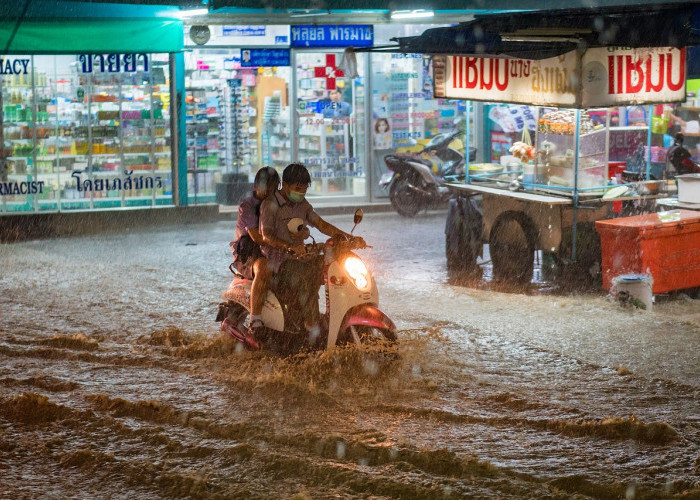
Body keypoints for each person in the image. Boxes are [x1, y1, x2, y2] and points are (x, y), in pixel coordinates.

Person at [260, 163, 363, 341]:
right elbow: (266, 236)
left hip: (302, 258)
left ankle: (335, 317)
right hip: (279, 263)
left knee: (334, 268)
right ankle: (312, 327)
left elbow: (321, 224)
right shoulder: (270, 205)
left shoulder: (303, 205)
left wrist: (349, 238)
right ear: (284, 185)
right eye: (297, 188)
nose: (301, 192)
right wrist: (288, 247)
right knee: (306, 276)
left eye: (304, 189)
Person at [230, 166, 280, 340]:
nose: (270, 193)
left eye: (274, 189)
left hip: (272, 249)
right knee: (264, 268)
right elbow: (257, 237)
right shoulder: (248, 207)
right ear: (256, 186)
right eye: (267, 188)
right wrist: (285, 244)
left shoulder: (279, 204)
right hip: (248, 253)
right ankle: (255, 320)